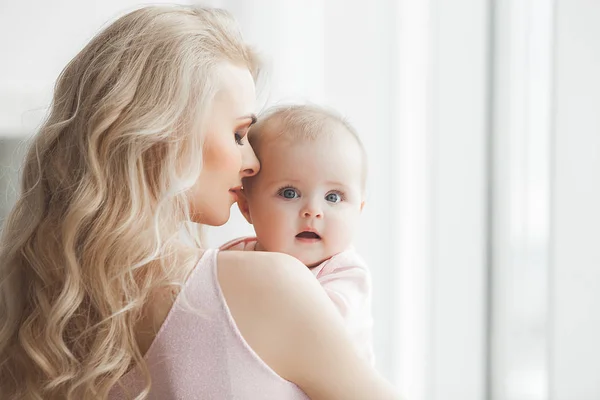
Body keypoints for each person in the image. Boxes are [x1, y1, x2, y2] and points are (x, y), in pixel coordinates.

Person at [0, 5, 400, 399]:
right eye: (240, 135)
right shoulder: (270, 283)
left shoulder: (41, 299)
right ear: (168, 137)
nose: (253, 163)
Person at [221, 104, 375, 365]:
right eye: (289, 193)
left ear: (358, 211)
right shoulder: (232, 258)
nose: (313, 211)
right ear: (247, 207)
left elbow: (318, 331)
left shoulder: (344, 274)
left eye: (333, 197)